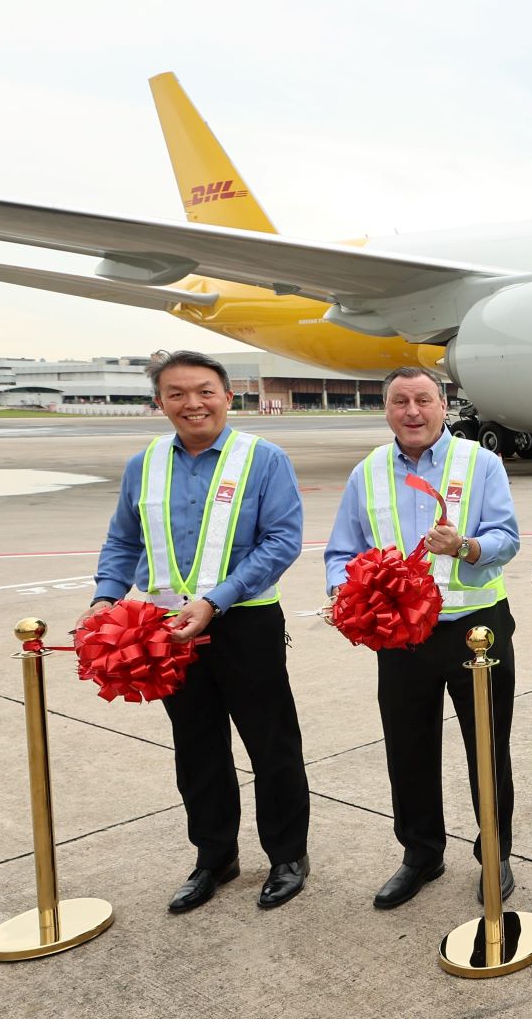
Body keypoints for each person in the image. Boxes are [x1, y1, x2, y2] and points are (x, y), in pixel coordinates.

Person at [85, 350, 310, 912]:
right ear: (159, 402)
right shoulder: (144, 465)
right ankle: (214, 856)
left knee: (271, 743)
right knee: (196, 745)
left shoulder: (263, 458)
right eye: (178, 394)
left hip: (245, 621)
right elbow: (122, 540)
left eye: (205, 391)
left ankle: (287, 855)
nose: (193, 404)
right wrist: (105, 597)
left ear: (229, 396)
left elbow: (282, 541)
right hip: (164, 628)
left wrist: (217, 599)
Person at [325, 366, 521, 910]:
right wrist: (347, 596)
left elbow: (507, 538)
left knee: (488, 745)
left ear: (444, 405)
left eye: (423, 400)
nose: (412, 411)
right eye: (399, 401)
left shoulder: (480, 463)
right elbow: (341, 552)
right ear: (386, 409)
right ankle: (420, 853)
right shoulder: (366, 472)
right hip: (400, 637)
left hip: (475, 629)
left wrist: (464, 547)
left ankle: (496, 850)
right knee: (406, 747)